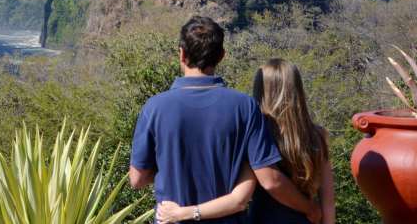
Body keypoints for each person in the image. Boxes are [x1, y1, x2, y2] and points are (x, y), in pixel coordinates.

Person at [129, 16, 321, 223]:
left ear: (182, 54)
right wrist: (310, 207)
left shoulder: (155, 107)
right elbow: (270, 180)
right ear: (221, 56)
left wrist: (169, 169)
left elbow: (137, 179)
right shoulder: (244, 107)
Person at [156, 59, 336, 224]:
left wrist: (183, 213)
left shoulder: (257, 134)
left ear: (260, 90)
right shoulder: (317, 135)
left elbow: (241, 197)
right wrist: (312, 209)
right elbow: (328, 202)